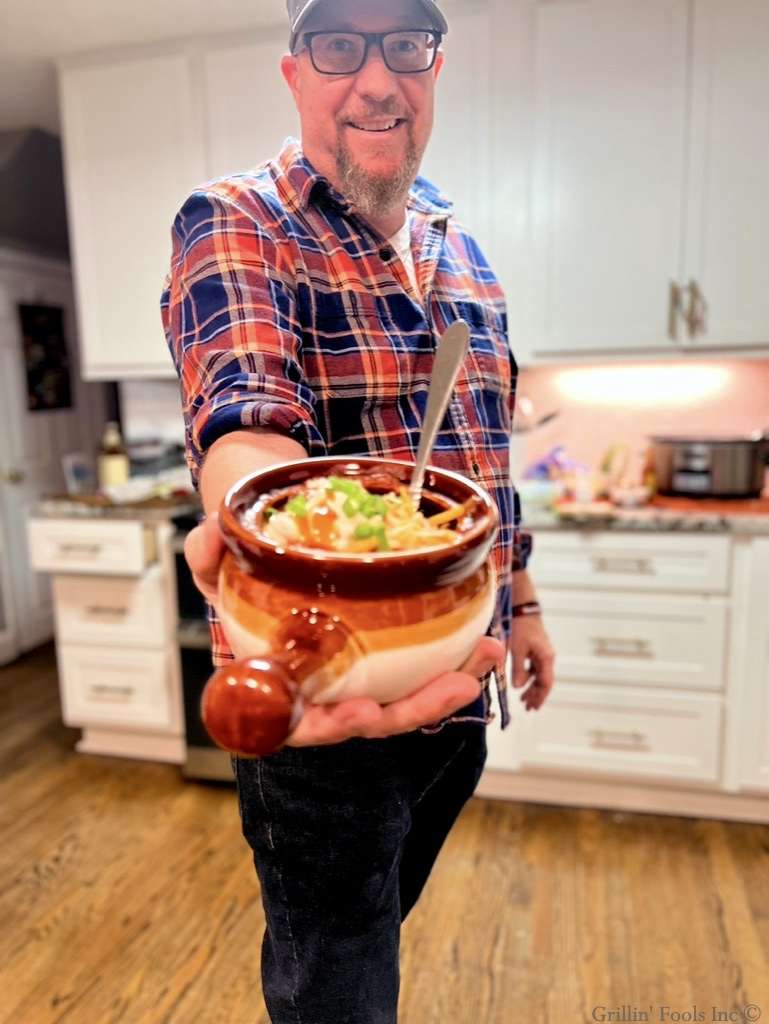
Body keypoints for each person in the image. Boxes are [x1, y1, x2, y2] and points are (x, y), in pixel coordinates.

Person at [162, 0, 556, 1019]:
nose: (375, 80)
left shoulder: (460, 247)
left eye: (403, 46)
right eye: (340, 45)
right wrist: (264, 520)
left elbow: (483, 449)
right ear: (296, 73)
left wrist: (523, 600)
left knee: (375, 924)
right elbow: (247, 416)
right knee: (334, 984)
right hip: (322, 701)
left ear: (433, 69)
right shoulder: (238, 221)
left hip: (456, 699)